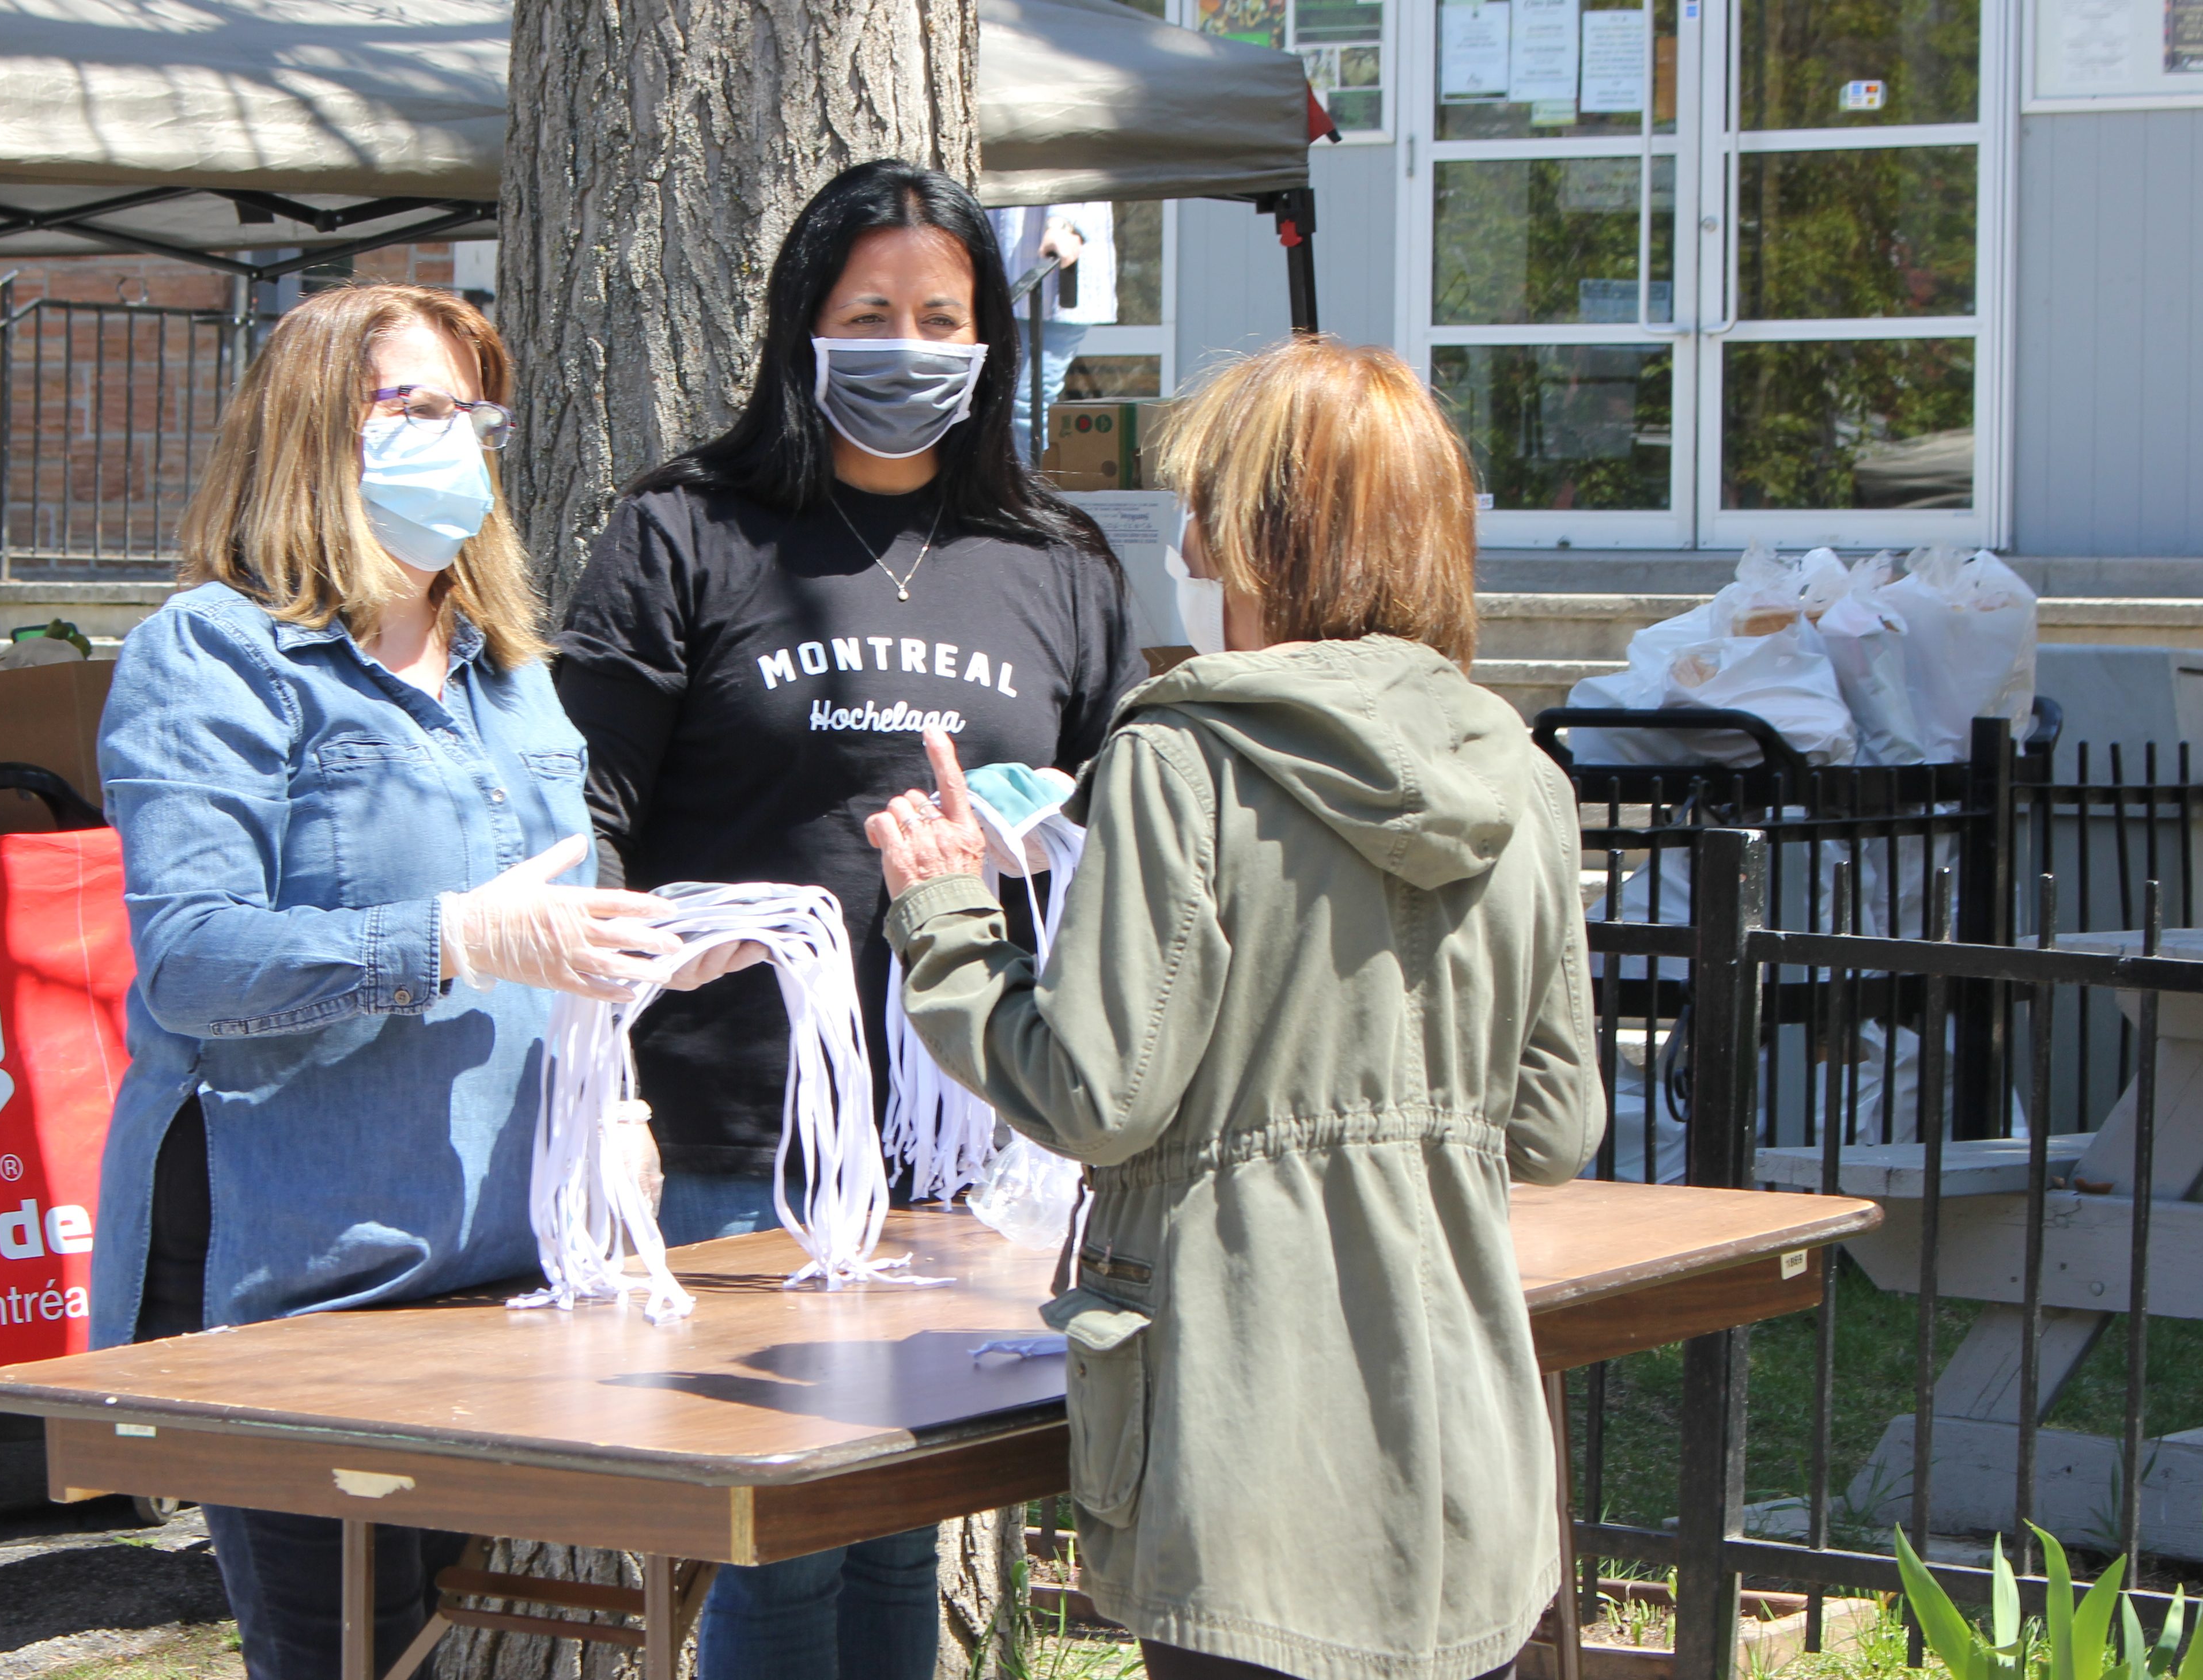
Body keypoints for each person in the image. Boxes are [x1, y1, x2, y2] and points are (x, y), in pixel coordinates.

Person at [868, 338, 1605, 1680]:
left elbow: (1099, 1094)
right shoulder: (1522, 776)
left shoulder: (1183, 757)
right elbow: (1553, 1124)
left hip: (1240, 1449)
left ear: (1256, 536)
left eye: (1202, 508)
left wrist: (949, 918)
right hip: (1464, 1452)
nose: (1190, 548)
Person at [88, 282, 734, 1680]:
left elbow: (556, 929)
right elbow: (192, 960)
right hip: (302, 1290)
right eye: (418, 408)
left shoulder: (516, 676)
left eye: (471, 416)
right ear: (315, 428)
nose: (459, 443)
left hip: (502, 1272)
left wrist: (647, 993)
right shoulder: (212, 653)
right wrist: (451, 938)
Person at [555, 159, 1149, 1680]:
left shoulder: (1058, 561)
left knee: (899, 1537)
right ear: (802, 326)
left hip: (961, 1133)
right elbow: (587, 814)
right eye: (870, 313)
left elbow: (1121, 818)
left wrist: (1040, 829)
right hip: (736, 1128)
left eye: (941, 318)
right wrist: (609, 1073)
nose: (908, 346)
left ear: (991, 339)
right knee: (780, 1548)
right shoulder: (689, 530)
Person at [987, 200, 1116, 461]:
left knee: (1025, 405)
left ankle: (1028, 484)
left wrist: (1062, 225)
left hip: (1050, 283)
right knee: (995, 403)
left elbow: (1078, 181)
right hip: (998, 280)